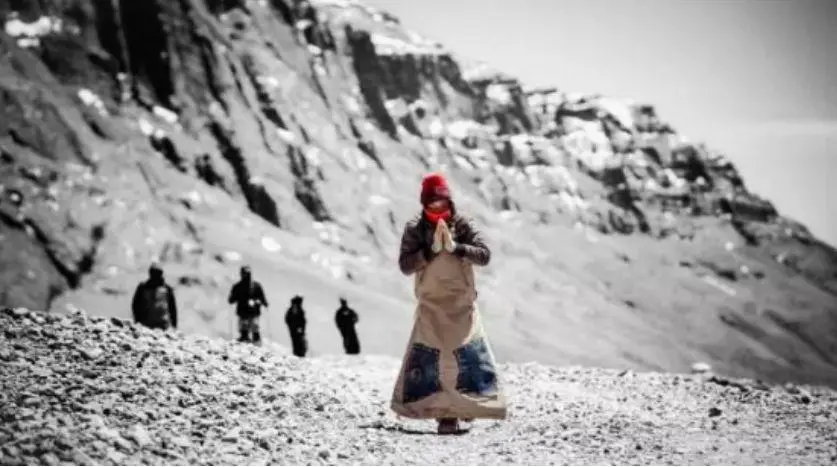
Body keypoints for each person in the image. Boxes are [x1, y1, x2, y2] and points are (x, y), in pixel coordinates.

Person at [391, 172, 507, 435]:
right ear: (424, 203)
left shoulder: (463, 224)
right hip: (431, 303)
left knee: (465, 357)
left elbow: (484, 256)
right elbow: (405, 265)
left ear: (449, 201)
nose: (437, 208)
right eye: (431, 203)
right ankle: (445, 415)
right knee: (434, 358)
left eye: (441, 202)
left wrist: (457, 248)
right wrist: (428, 252)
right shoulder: (415, 229)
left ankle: (465, 408)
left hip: (461, 303)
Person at [227, 266, 269, 344]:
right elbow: (231, 300)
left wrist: (262, 302)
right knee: (246, 328)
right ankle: (247, 343)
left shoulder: (254, 286)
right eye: (244, 274)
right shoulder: (239, 286)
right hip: (244, 312)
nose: (246, 276)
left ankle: (255, 344)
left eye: (246, 274)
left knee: (254, 328)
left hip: (252, 311)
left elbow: (262, 297)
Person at [131, 263, 178, 330]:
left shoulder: (167, 289)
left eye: (159, 274)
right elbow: (135, 305)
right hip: (145, 324)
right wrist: (137, 321)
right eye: (155, 275)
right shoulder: (143, 287)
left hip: (163, 325)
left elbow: (172, 309)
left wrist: (174, 326)